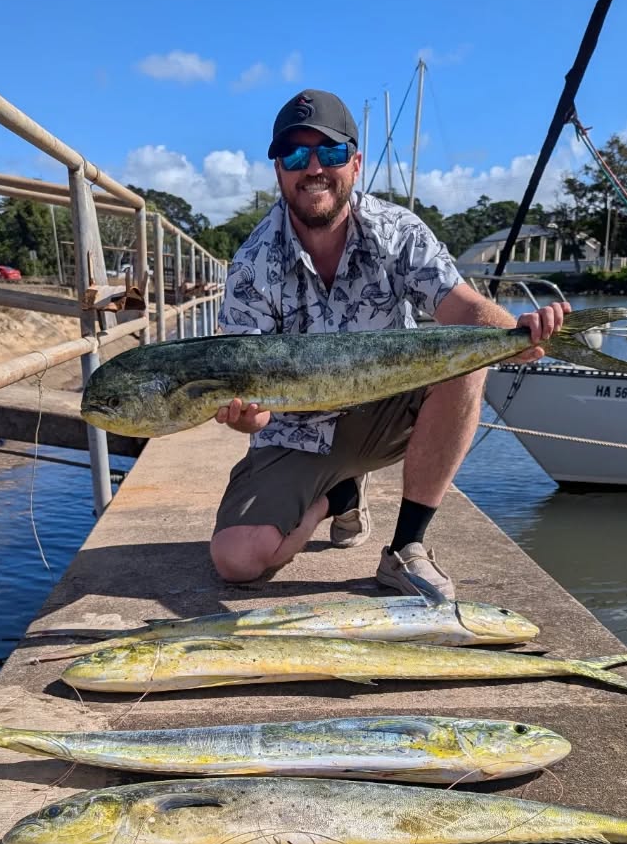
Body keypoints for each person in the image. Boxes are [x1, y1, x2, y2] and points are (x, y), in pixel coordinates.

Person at [209, 89, 570, 600]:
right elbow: (256, 402)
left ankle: (406, 548)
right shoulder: (251, 265)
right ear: (278, 171)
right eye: (295, 154)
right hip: (297, 431)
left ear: (355, 164)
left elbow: (462, 307)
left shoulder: (396, 231)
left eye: (330, 153)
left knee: (464, 353)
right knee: (236, 562)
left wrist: (513, 333)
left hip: (388, 414)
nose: (313, 167)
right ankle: (338, 496)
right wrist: (247, 414)